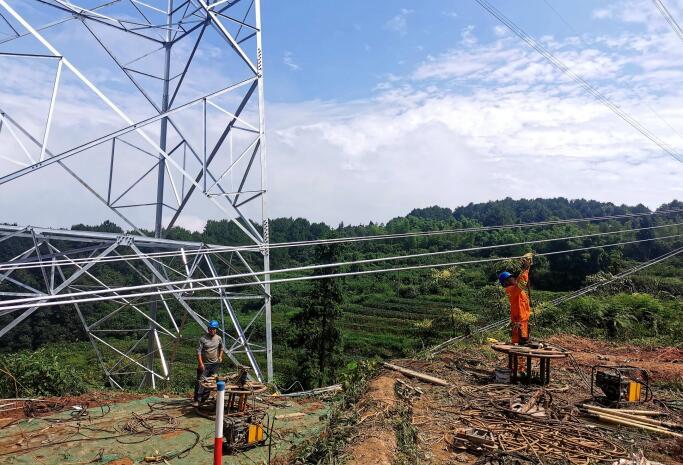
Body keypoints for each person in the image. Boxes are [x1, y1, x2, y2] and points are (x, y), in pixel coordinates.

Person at [498, 253, 533, 345]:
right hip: (519, 324)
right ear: (506, 282)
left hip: (522, 322)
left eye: (513, 277)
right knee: (519, 346)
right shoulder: (510, 290)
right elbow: (522, 282)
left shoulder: (514, 287)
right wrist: (525, 269)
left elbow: (520, 279)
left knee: (523, 346)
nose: (513, 278)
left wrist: (527, 267)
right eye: (510, 278)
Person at [193, 319, 223, 406]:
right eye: (210, 328)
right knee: (200, 382)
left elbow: (221, 348)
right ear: (208, 329)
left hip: (215, 364)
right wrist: (201, 363)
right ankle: (197, 399)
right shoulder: (203, 339)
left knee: (210, 382)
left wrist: (220, 356)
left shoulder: (219, 338)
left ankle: (204, 400)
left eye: (213, 329)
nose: (211, 330)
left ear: (216, 329)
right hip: (204, 365)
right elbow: (198, 352)